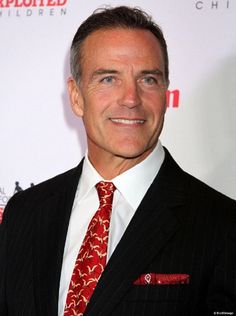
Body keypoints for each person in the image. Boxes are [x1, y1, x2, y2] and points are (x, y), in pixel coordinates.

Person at [0, 6, 236, 316]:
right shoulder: (24, 214)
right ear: (76, 96)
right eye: (109, 78)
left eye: (148, 79)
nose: (131, 99)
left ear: (166, 92)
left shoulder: (223, 226)